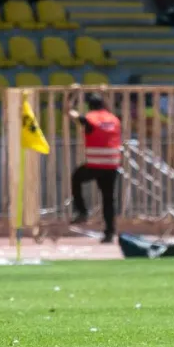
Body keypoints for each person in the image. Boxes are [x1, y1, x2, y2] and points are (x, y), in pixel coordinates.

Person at [67, 90, 122, 244]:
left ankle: (82, 211)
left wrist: (70, 96)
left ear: (89, 106)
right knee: (108, 199)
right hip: (112, 164)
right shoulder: (113, 118)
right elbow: (109, 109)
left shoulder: (89, 119)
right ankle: (110, 233)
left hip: (96, 164)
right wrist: (105, 94)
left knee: (76, 178)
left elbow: (69, 113)